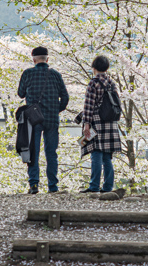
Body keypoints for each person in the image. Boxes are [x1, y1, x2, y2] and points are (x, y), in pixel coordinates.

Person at [17, 46, 69, 194]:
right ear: (47, 59)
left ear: (33, 59)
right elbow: (65, 97)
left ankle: (34, 185)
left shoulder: (28, 73)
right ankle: (53, 186)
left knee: (34, 152)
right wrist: (56, 109)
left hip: (33, 119)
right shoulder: (55, 75)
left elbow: (20, 94)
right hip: (52, 119)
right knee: (51, 152)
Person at [79, 55, 122, 194]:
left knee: (96, 154)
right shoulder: (112, 82)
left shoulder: (94, 82)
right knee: (107, 157)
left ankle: (94, 186)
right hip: (110, 123)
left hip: (97, 121)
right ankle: (108, 187)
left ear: (94, 67)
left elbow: (88, 105)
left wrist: (86, 124)